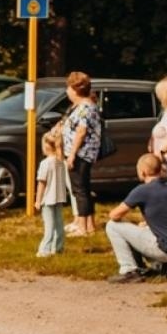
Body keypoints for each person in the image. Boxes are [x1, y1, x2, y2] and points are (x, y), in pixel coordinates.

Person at [105, 154, 167, 283]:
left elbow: (114, 215)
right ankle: (166, 266)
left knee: (112, 226)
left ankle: (129, 270)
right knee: (143, 228)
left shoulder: (142, 190)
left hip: (164, 249)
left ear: (143, 171)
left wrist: (130, 224)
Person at [62, 71, 103, 236]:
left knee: (80, 190)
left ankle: (83, 227)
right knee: (83, 188)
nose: (67, 91)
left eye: (68, 88)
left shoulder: (85, 108)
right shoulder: (84, 106)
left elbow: (81, 131)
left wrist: (72, 154)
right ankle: (88, 225)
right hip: (82, 154)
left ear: (75, 89)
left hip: (81, 154)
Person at [35, 130, 69, 256]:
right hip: (59, 198)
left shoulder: (45, 164)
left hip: (47, 199)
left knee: (49, 226)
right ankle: (58, 247)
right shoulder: (61, 162)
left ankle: (44, 250)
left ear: (46, 146)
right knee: (59, 224)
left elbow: (41, 183)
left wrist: (38, 200)